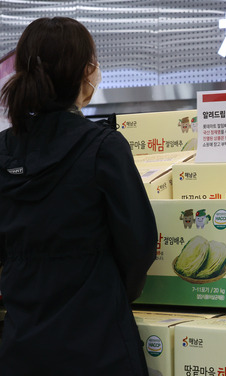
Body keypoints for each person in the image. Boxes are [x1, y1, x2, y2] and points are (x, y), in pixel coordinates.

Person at [0, 17, 157, 375]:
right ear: (85, 72)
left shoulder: (3, 151)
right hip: (98, 343)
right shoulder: (102, 146)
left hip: (22, 346)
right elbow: (140, 244)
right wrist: (113, 292)